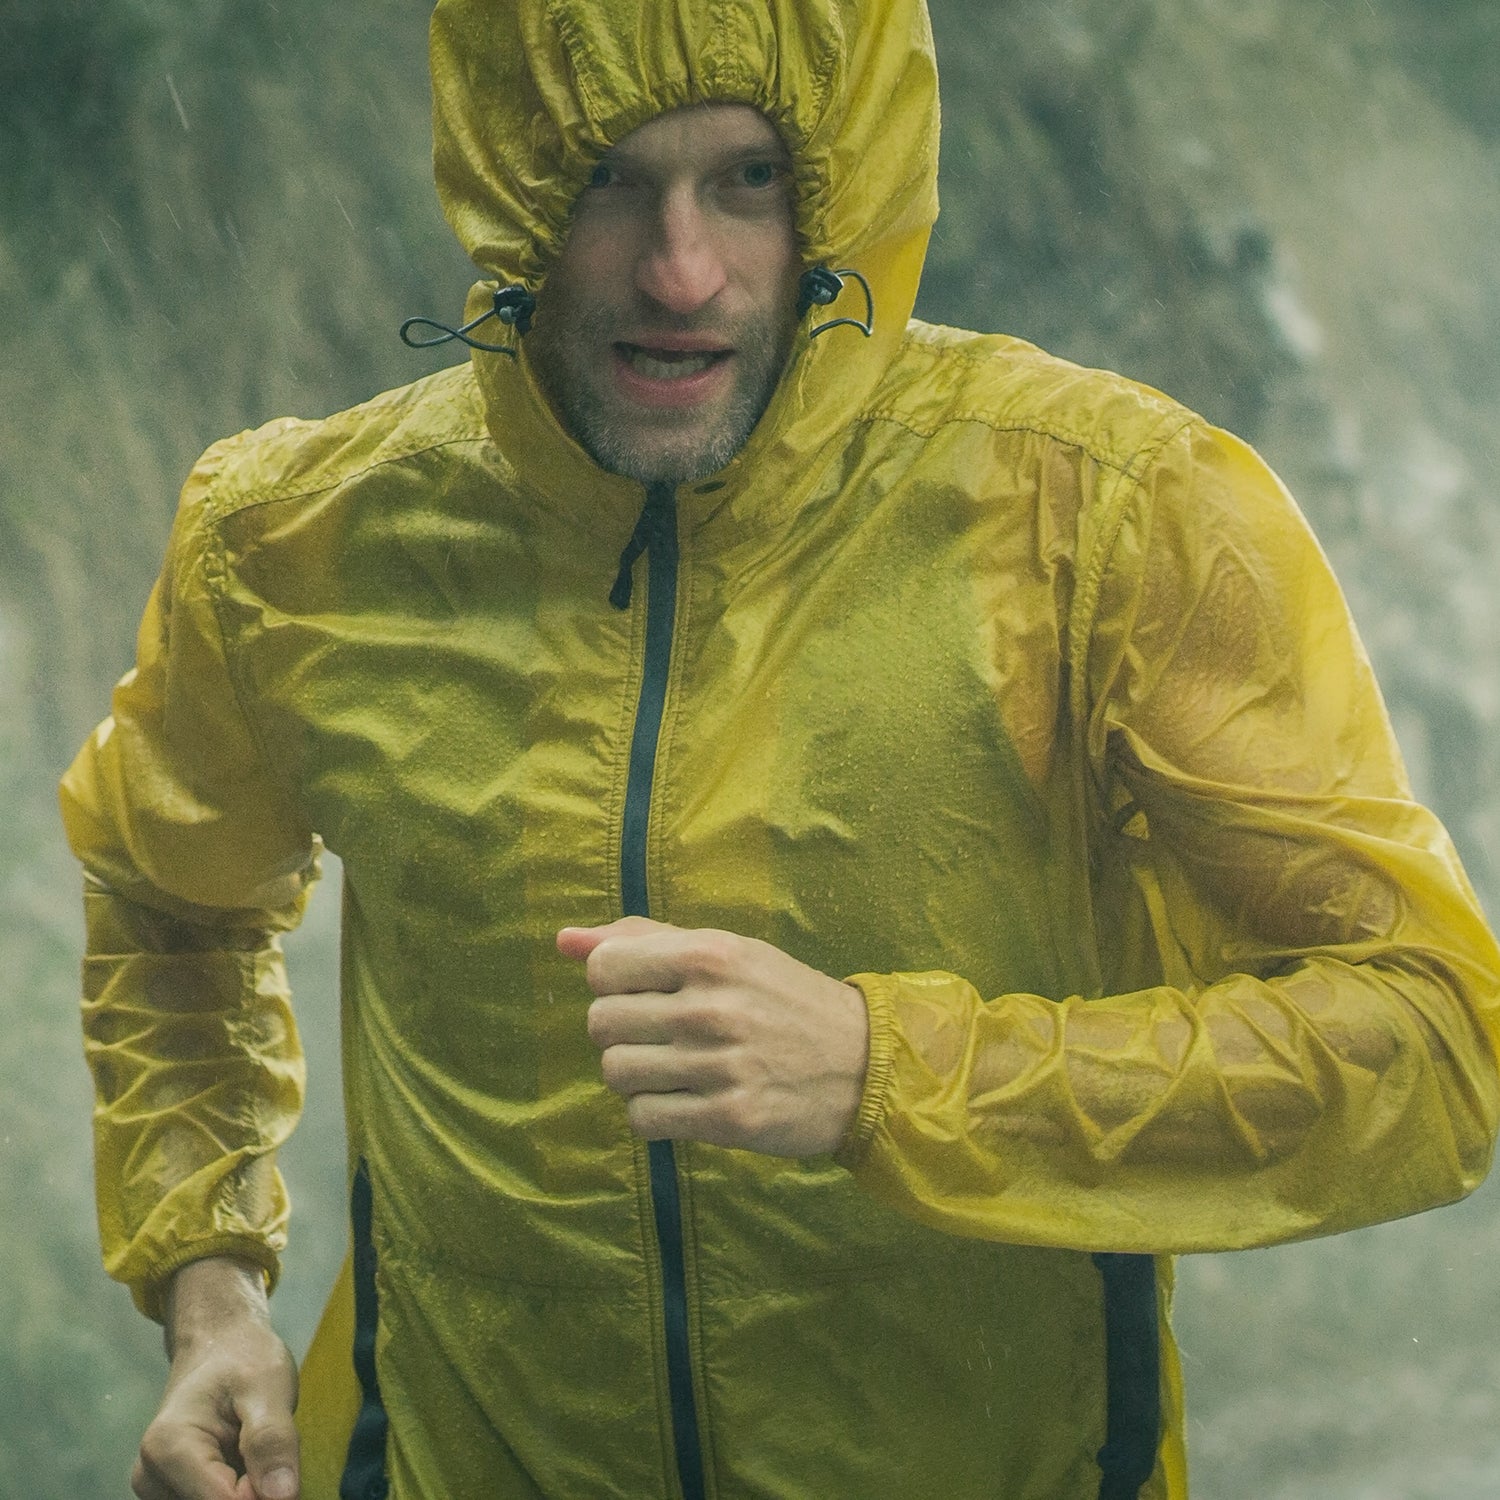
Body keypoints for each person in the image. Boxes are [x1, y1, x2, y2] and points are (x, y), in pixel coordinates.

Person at [60, 0, 1500, 1497]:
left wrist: (892, 1072)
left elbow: (1427, 1041)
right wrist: (211, 1296)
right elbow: (174, 909)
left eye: (745, 178)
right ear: (511, 178)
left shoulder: (1105, 514)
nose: (681, 272)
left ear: (841, 184)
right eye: (615, 179)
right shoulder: (291, 542)